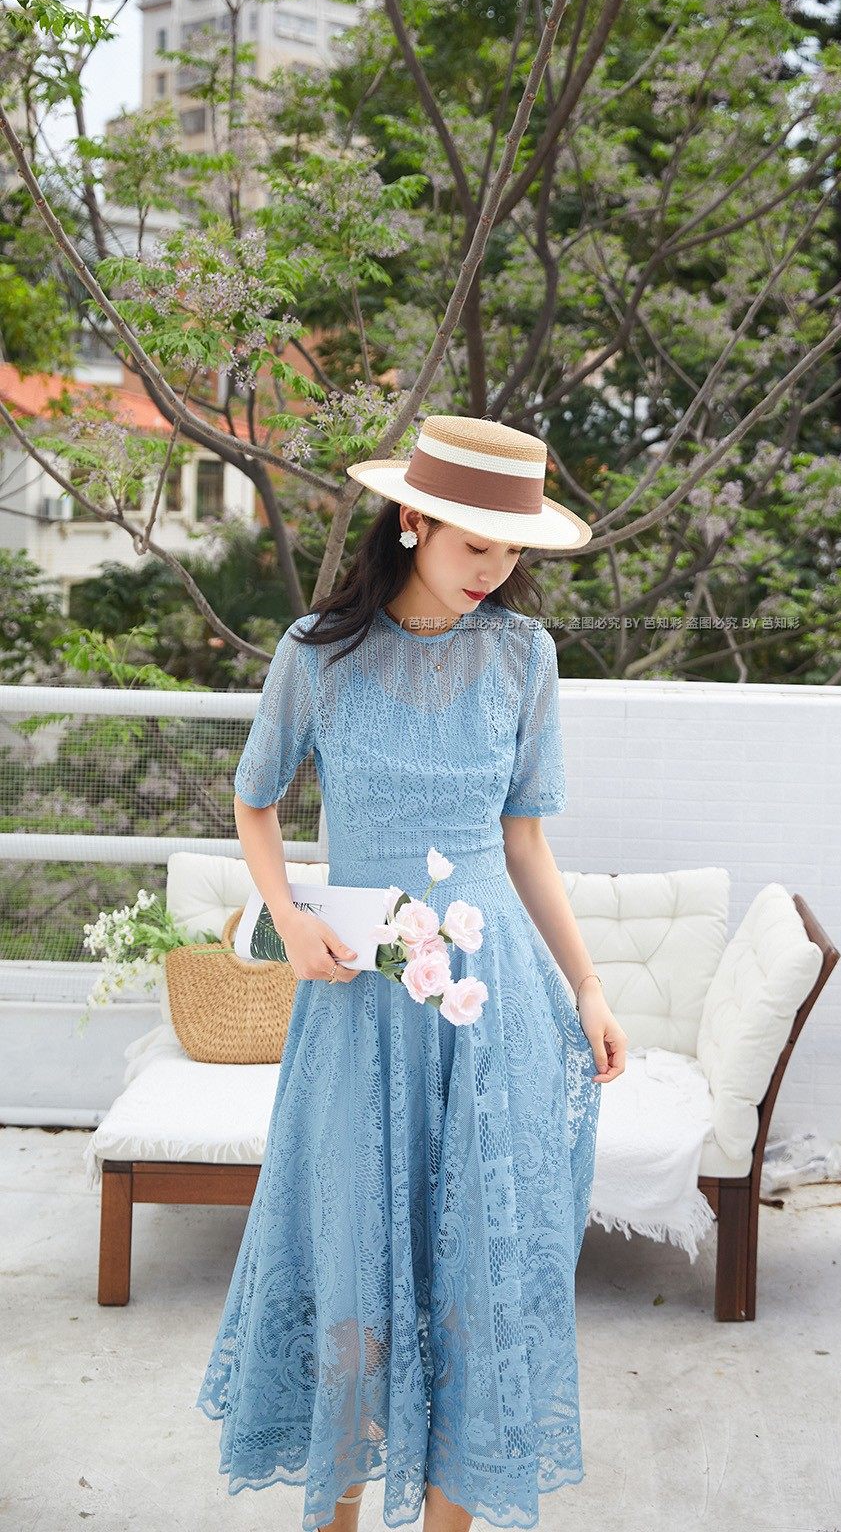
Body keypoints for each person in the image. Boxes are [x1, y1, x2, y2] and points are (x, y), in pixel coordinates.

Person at [195, 414, 627, 1532]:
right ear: (412, 520)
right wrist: (286, 917)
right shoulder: (317, 654)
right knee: (349, 1271)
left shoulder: (525, 658)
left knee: (480, 1279)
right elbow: (254, 800)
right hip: (362, 1001)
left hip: (492, 1006)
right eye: (477, 544)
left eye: (512, 548)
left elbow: (525, 843)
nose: (496, 570)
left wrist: (587, 986)